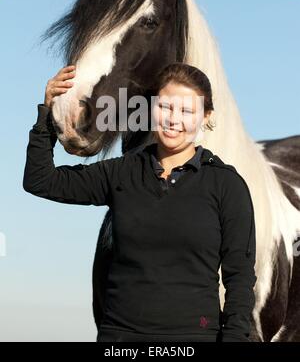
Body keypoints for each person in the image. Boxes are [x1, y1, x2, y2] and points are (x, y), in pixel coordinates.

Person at [23, 62, 256, 342]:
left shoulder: (226, 185)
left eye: (186, 111)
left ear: (206, 116)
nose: (173, 119)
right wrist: (47, 112)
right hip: (119, 339)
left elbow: (239, 279)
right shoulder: (122, 172)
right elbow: (40, 180)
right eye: (166, 107)